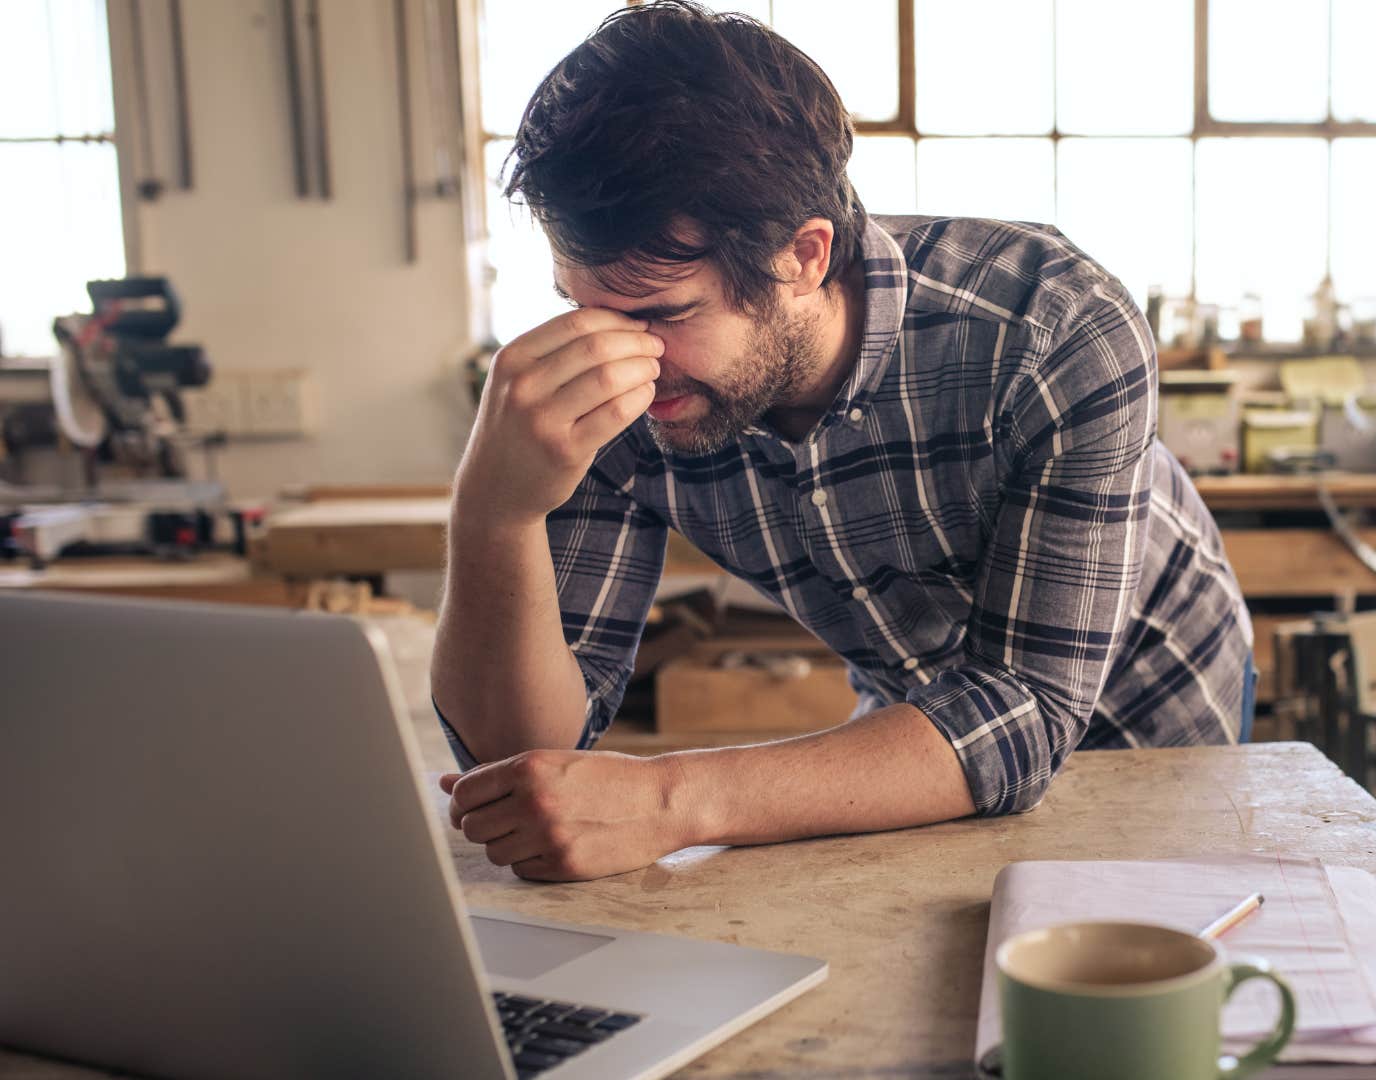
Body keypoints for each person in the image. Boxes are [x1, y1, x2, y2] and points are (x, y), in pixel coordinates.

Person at [431, 1, 1252, 882]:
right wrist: (494, 514)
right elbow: (523, 756)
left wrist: (670, 799)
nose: (620, 357)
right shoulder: (613, 385)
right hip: (918, 725)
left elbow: (1025, 710)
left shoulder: (1053, 325)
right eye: (582, 306)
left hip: (1155, 710)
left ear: (805, 257)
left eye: (664, 314)